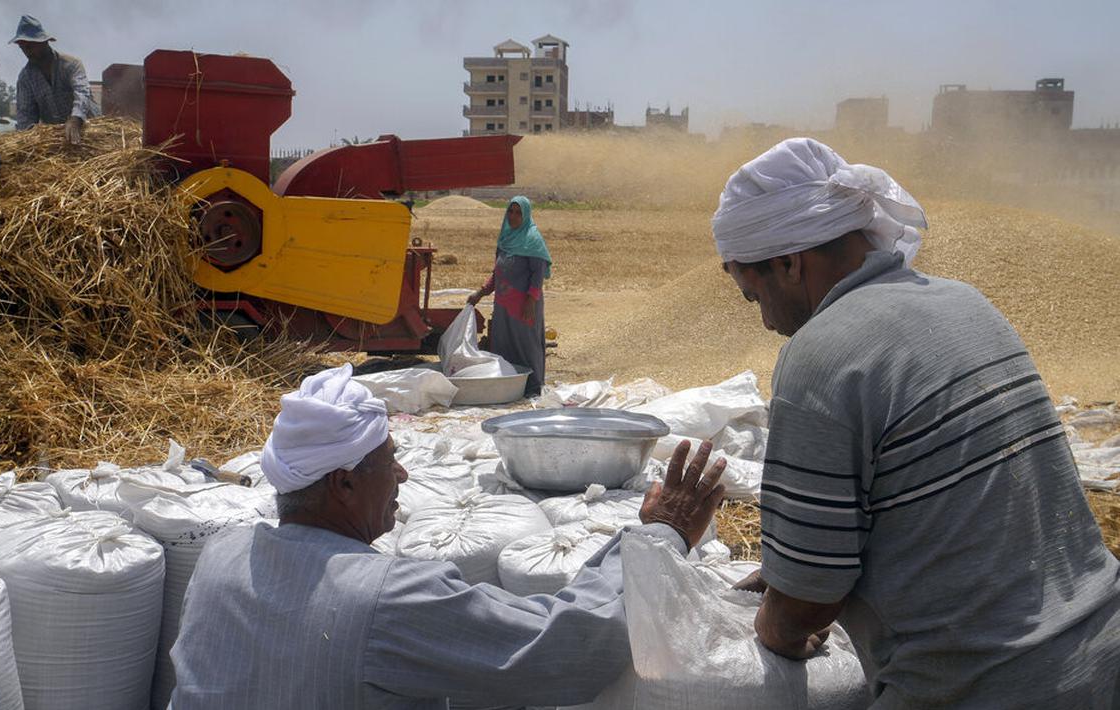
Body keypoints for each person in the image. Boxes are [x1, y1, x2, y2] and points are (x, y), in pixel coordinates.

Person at [713, 137, 1120, 707]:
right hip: (1100, 650)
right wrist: (797, 562)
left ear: (788, 262)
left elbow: (808, 604)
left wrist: (771, 623)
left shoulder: (820, 354)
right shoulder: (965, 302)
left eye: (753, 297)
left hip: (983, 684)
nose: (765, 321)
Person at [170, 364, 727, 709]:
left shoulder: (222, 556)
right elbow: (565, 647)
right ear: (343, 484)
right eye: (390, 461)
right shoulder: (387, 597)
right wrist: (661, 537)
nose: (404, 475)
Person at [467, 196, 552, 396]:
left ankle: (531, 386)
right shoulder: (505, 239)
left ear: (526, 215)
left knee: (525, 345)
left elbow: (537, 275)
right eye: (510, 212)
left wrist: (531, 301)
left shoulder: (532, 240)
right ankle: (507, 387)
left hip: (524, 306)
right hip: (504, 305)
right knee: (503, 344)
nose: (513, 216)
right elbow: (497, 273)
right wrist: (480, 292)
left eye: (518, 212)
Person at [10, 15, 98, 144]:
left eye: (30, 46)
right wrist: (25, 141)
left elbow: (82, 93)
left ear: (44, 42)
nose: (27, 52)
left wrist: (75, 119)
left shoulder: (71, 65)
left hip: (90, 130)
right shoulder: (25, 78)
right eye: (23, 48)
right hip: (59, 140)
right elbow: (26, 116)